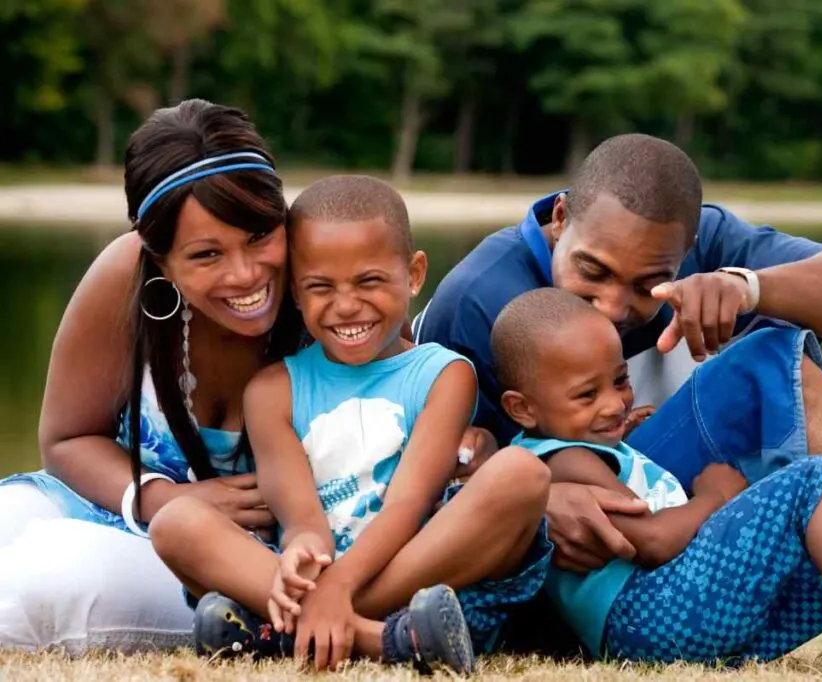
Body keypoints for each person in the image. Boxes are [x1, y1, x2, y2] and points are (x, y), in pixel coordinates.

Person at [412, 133, 822, 653]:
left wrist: (749, 287)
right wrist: (542, 499)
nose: (616, 307)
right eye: (592, 272)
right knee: (766, 362)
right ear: (560, 218)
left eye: (651, 282)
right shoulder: (480, 298)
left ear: (685, 248)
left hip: (681, 484)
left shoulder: (694, 236)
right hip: (617, 564)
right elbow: (434, 473)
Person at [492, 287, 822, 676]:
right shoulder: (560, 461)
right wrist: (712, 499)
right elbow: (649, 542)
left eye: (620, 381)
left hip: (674, 616)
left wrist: (621, 437)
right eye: (588, 396)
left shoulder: (580, 449)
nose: (613, 402)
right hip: (652, 616)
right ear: (522, 408)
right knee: (814, 481)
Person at [148, 175, 552, 673]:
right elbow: (301, 520)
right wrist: (308, 558)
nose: (346, 305)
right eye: (320, 287)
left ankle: (287, 631)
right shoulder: (273, 390)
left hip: (416, 575)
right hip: (318, 577)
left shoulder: (444, 374)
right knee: (175, 522)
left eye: (370, 281)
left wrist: (339, 589)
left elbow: (410, 504)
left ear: (415, 274)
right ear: (295, 290)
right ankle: (385, 641)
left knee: (522, 474)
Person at [0, 99, 310, 653]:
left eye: (260, 236)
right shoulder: (125, 278)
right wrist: (162, 499)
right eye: (207, 254)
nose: (245, 274)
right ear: (158, 258)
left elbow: (412, 391)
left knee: (52, 574)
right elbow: (68, 439)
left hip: (242, 557)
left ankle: (258, 621)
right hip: (126, 506)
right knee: (9, 520)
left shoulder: (326, 276)